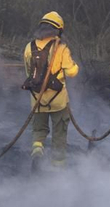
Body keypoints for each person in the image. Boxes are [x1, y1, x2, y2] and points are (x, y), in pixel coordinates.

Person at [22, 11, 78, 170]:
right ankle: (58, 169)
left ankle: (37, 151)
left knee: (39, 130)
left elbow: (28, 72)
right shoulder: (61, 48)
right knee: (59, 134)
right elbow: (71, 72)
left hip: (37, 98)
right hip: (58, 100)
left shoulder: (29, 47)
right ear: (58, 29)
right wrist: (75, 67)